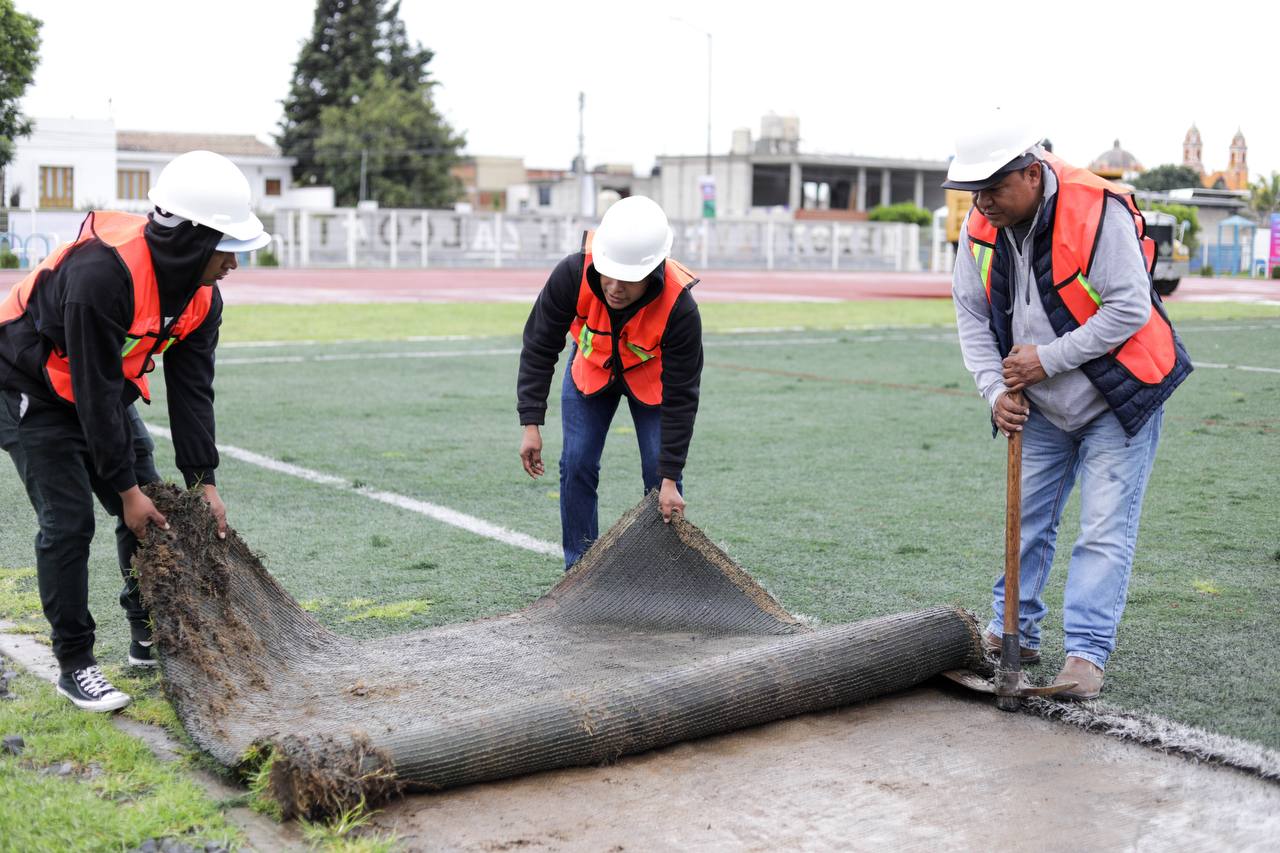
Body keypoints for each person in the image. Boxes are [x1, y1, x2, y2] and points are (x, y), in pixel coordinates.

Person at [0, 150, 271, 712]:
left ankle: (146, 634)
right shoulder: (101, 274)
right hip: (28, 386)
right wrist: (124, 490)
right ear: (192, 239)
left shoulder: (203, 297)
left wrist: (203, 481)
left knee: (153, 510)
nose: (234, 263)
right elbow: (94, 392)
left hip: (100, 389)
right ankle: (75, 664)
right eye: (227, 246)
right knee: (69, 523)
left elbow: (192, 392)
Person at [945, 116, 1192, 700]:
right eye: (973, 191)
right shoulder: (982, 225)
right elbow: (971, 315)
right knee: (1026, 521)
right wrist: (996, 390)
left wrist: (1046, 361)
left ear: (1032, 173)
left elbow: (1129, 307)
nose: (982, 202)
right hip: (1041, 404)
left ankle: (1086, 653)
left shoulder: (1095, 208)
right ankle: (1015, 631)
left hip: (1120, 392)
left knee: (1103, 529)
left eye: (993, 187)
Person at [517, 196, 703, 569]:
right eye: (608, 273)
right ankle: (579, 568)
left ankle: (665, 572)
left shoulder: (680, 307)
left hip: (651, 380)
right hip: (591, 369)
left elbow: (682, 396)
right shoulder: (572, 273)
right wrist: (531, 423)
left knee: (658, 474)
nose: (615, 287)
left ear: (653, 271)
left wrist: (670, 479)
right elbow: (540, 345)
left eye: (628, 279)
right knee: (577, 462)